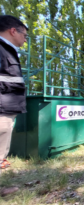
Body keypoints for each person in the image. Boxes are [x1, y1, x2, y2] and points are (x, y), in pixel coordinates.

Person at [0, 15, 28, 170]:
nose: (25, 40)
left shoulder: (8, 51)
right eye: (24, 35)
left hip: (6, 107)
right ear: (12, 31)